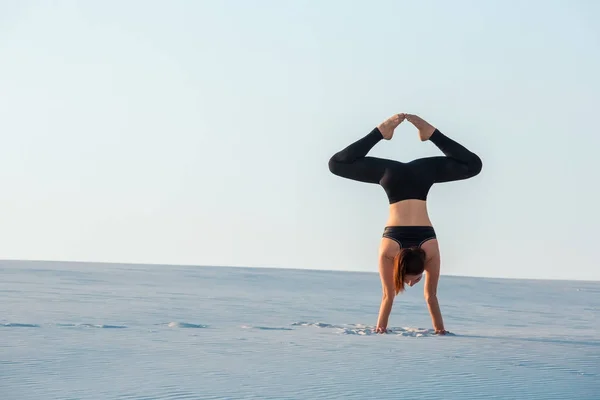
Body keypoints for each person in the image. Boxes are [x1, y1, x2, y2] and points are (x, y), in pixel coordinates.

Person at [328, 113, 482, 334]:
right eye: (415, 280)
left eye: (409, 280)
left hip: (421, 174)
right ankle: (396, 133)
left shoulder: (430, 251)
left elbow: (428, 296)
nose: (411, 284)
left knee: (473, 165)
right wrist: (438, 331)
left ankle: (406, 133)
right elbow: (390, 296)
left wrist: (437, 329)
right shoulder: (389, 251)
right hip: (394, 177)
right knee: (336, 164)